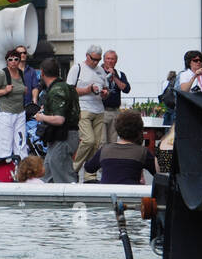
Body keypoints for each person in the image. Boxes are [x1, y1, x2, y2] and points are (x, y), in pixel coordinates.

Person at [84, 109, 157, 185]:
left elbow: (89, 168)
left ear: (117, 128)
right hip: (130, 193)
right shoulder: (143, 152)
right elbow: (157, 172)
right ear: (139, 129)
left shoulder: (104, 150)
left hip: (107, 194)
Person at [67, 44, 108, 180]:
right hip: (83, 108)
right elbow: (70, 90)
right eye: (93, 59)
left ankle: (90, 174)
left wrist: (104, 93)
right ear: (87, 55)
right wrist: (88, 89)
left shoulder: (101, 71)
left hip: (99, 109)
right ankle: (73, 168)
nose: (95, 62)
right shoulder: (77, 68)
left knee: (96, 144)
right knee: (88, 140)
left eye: (98, 60)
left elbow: (106, 89)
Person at [36, 56, 78, 184]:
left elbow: (59, 119)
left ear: (42, 72)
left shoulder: (56, 90)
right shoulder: (67, 87)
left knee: (65, 178)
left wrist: (41, 116)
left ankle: (73, 203)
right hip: (64, 137)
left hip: (63, 138)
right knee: (46, 175)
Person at [0, 48, 27, 161]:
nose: (13, 61)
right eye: (10, 59)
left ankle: (20, 170)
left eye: (16, 59)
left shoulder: (21, 73)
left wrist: (24, 90)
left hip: (19, 112)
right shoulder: (2, 74)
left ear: (19, 61)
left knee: (21, 142)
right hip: (4, 112)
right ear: (7, 61)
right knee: (5, 143)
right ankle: (3, 170)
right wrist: (4, 91)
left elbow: (21, 88)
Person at [100, 49, 131, 144]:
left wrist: (115, 78)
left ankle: (110, 158)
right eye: (108, 58)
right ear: (104, 60)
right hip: (101, 110)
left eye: (112, 59)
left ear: (116, 61)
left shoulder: (120, 74)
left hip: (115, 111)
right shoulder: (97, 72)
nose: (110, 61)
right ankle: (102, 158)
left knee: (113, 141)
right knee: (102, 141)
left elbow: (126, 89)